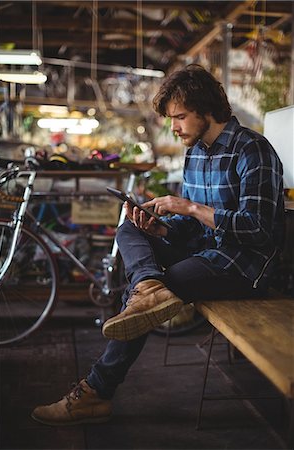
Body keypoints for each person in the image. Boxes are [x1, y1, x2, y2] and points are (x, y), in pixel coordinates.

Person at [31, 64, 285, 426]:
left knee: (155, 292)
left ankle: (95, 392)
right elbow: (191, 228)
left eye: (179, 117)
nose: (174, 127)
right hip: (205, 253)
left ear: (207, 110)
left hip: (243, 266)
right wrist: (163, 230)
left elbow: (259, 230)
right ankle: (146, 286)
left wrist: (189, 207)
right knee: (129, 231)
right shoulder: (196, 152)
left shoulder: (253, 151)